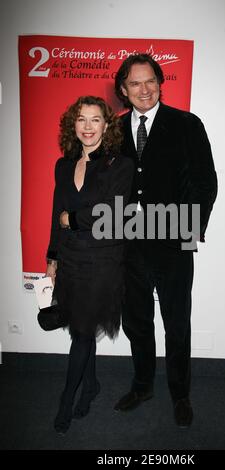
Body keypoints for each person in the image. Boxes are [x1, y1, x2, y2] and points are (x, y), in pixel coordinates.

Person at [114, 54, 217, 427]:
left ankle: (180, 394)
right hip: (128, 245)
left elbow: (206, 183)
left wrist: (188, 234)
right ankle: (142, 385)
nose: (144, 89)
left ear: (160, 83)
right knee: (136, 321)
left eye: (150, 81)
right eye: (135, 84)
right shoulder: (114, 129)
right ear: (123, 91)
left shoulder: (187, 125)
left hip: (173, 243)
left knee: (177, 322)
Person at [45, 95, 134, 434]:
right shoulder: (63, 164)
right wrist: (52, 256)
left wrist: (74, 220)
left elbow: (114, 215)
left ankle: (67, 400)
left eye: (95, 119)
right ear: (74, 124)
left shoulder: (119, 165)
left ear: (107, 126)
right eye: (81, 119)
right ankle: (92, 385)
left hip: (103, 260)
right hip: (70, 258)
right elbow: (57, 213)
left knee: (82, 332)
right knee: (83, 325)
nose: (87, 126)